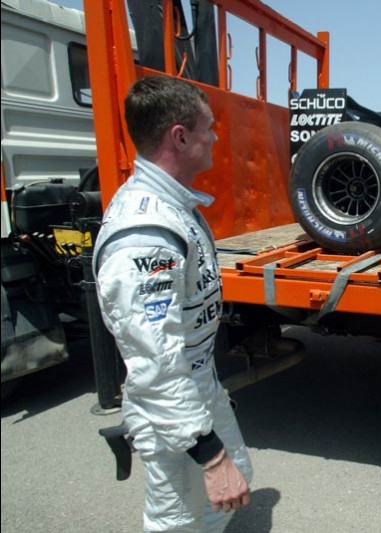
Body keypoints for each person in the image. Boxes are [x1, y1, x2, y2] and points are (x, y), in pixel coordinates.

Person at [93, 76, 253, 532]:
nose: (216, 137)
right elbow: (156, 364)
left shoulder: (174, 209)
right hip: (170, 407)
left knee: (227, 496)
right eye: (209, 127)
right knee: (180, 522)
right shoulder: (145, 235)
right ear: (179, 137)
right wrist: (209, 453)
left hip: (197, 384)